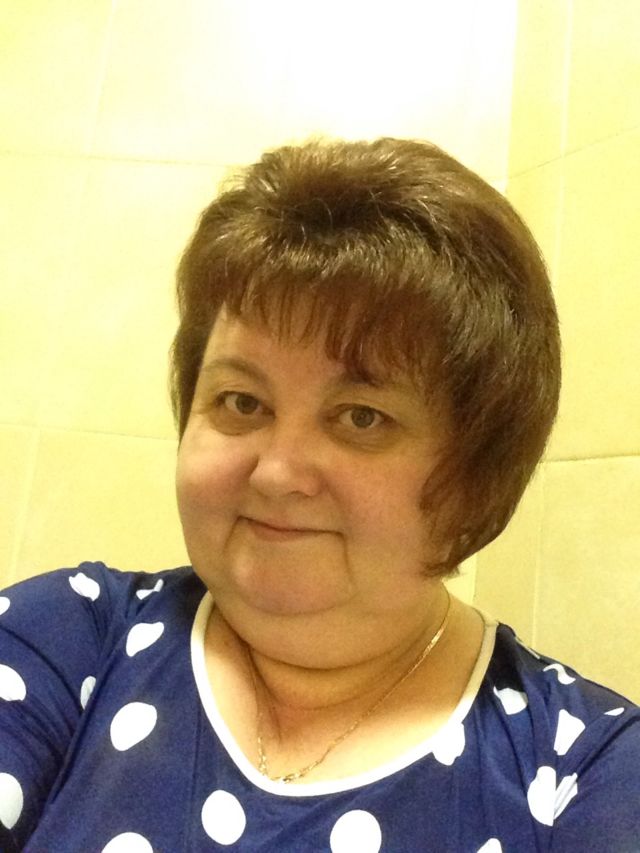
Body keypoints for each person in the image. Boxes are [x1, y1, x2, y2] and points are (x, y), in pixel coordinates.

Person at [0, 138, 638, 852]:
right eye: (241, 402)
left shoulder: (586, 768)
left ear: (476, 470)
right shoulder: (66, 640)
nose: (277, 473)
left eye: (362, 417)